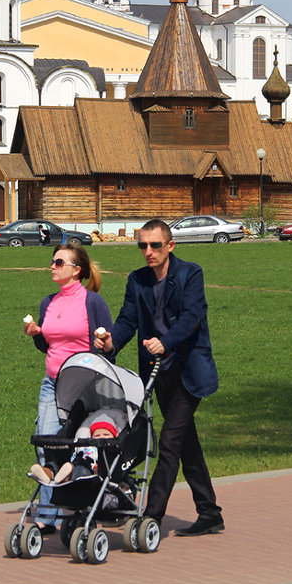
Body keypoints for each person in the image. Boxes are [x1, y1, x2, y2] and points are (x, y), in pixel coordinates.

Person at [96, 219, 223, 538]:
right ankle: (209, 512)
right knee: (186, 443)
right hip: (157, 373)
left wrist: (166, 342)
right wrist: (112, 341)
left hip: (188, 372)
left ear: (170, 246)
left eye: (154, 245)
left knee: (168, 443)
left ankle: (150, 516)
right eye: (143, 246)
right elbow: (127, 319)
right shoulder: (137, 280)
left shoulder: (190, 274)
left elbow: (193, 317)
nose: (148, 252)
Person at [23, 243, 113, 533]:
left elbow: (108, 350)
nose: (52, 266)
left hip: (85, 386)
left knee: (82, 448)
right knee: (46, 445)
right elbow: (47, 346)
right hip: (52, 384)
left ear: (77, 271)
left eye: (59, 262)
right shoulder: (48, 302)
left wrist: (104, 344)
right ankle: (47, 515)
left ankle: (83, 508)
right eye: (52, 262)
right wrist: (36, 334)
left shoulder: (92, 303)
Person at [29, 416, 117, 484]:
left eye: (106, 434)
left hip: (90, 469)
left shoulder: (111, 450)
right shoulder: (87, 445)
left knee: (81, 470)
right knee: (60, 464)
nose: (101, 437)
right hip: (76, 462)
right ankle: (47, 472)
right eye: (97, 436)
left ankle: (66, 476)